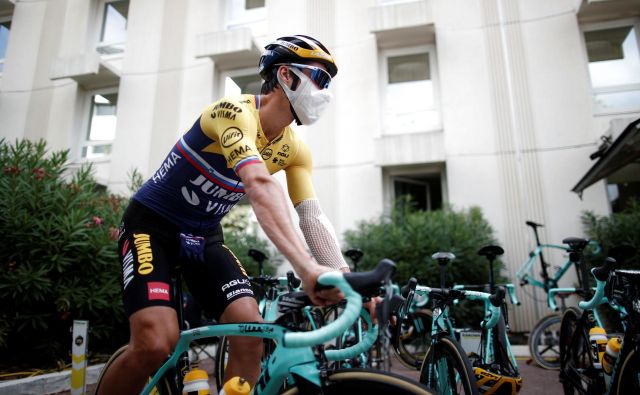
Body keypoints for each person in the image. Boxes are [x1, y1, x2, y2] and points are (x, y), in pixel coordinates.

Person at [98, 35, 353, 394]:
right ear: (286, 76)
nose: (326, 92)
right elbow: (259, 185)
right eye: (321, 79)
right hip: (151, 227)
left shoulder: (295, 150)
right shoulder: (232, 113)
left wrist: (345, 277)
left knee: (250, 334)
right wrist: (306, 266)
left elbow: (310, 215)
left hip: (204, 236)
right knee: (156, 344)